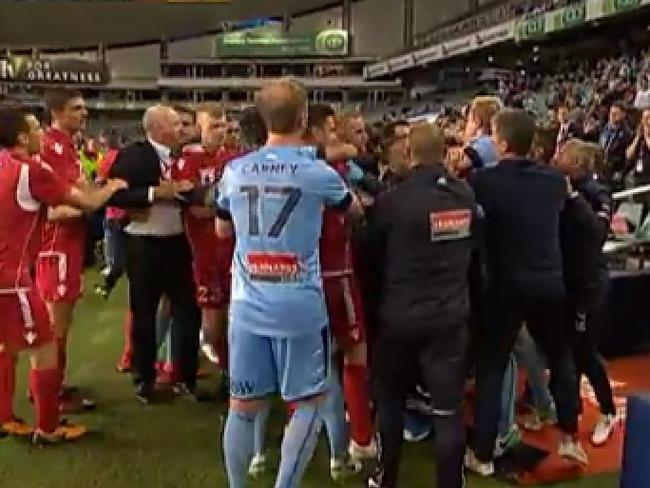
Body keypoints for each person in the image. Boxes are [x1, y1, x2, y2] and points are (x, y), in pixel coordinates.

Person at [216, 79, 361, 488]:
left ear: (262, 120)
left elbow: (222, 231)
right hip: (299, 304)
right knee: (310, 403)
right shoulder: (319, 173)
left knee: (242, 407)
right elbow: (355, 213)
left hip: (246, 304)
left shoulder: (234, 170)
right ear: (303, 117)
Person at [465, 109, 587, 476]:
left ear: (501, 143)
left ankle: (483, 454)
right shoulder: (553, 180)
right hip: (549, 281)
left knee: (492, 366)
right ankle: (570, 437)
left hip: (505, 285)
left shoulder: (483, 181)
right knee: (561, 358)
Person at [0, 103, 126, 443]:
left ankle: (4, 416)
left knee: (5, 346)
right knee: (45, 345)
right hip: (11, 278)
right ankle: (49, 427)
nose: (42, 133)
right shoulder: (30, 169)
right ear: (23, 137)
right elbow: (84, 204)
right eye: (36, 129)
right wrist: (111, 188)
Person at [366, 122, 477, 488]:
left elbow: (370, 257)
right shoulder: (464, 196)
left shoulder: (392, 201)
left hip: (399, 316)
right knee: (448, 411)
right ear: (444, 154)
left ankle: (387, 479)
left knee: (391, 401)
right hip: (449, 316)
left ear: (409, 154)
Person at [107, 105, 201, 405]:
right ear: (158, 128)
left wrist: (190, 192)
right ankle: (144, 380)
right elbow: (114, 193)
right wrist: (153, 193)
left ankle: (185, 377)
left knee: (188, 311)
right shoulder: (135, 155)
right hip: (144, 244)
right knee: (145, 314)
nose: (183, 130)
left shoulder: (184, 157)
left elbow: (185, 192)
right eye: (176, 124)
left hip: (176, 242)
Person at [555, 139, 620, 446]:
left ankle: (607, 411)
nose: (556, 158)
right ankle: (570, 408)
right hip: (566, 279)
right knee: (566, 347)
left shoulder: (597, 193)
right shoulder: (557, 187)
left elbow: (597, 234)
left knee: (585, 350)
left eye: (562, 155)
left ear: (578, 162)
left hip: (589, 284)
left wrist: (573, 199)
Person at [35, 88, 96, 413]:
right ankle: (48, 394)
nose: (84, 113)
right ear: (57, 112)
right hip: (55, 245)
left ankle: (54, 384)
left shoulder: (68, 147)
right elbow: (50, 206)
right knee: (53, 327)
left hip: (69, 245)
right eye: (76, 108)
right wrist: (92, 205)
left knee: (62, 324)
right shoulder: (50, 148)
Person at [176, 102, 233, 374]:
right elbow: (194, 209)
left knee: (235, 315)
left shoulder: (233, 159)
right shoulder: (189, 161)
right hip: (205, 253)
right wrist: (224, 207)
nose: (221, 132)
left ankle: (231, 371)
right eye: (214, 126)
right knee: (213, 316)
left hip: (232, 250)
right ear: (200, 129)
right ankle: (221, 366)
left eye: (224, 125)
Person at [599, 101, 633, 189]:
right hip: (601, 172)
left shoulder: (628, 134)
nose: (612, 116)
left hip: (615, 174)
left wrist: (621, 173)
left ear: (623, 114)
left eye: (616, 113)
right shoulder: (604, 128)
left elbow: (629, 158)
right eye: (611, 113)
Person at [462, 96, 501, 171]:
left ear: (477, 121)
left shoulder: (476, 148)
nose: (465, 125)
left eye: (468, 120)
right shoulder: (500, 145)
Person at [378, 121, 410, 186]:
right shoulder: (386, 183)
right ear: (388, 144)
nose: (410, 141)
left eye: (411, 136)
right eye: (405, 137)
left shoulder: (418, 172)